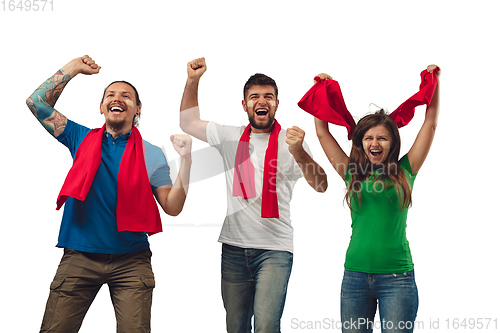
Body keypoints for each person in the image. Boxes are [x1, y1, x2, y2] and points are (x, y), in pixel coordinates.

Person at [26, 55, 192, 333]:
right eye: (111, 95)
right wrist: (73, 69)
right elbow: (36, 103)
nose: (118, 98)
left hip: (132, 260)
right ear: (102, 107)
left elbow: (172, 207)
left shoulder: (152, 153)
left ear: (137, 108)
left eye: (126, 96)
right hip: (79, 255)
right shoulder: (79, 138)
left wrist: (186, 160)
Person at [179, 57, 328, 332]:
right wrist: (193, 80)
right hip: (233, 249)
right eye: (255, 97)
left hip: (275, 250)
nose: (262, 101)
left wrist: (299, 151)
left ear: (276, 104)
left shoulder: (292, 142)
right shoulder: (229, 136)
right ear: (245, 105)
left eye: (268, 96)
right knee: (236, 327)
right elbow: (188, 122)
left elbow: (321, 185)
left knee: (267, 326)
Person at [311, 65, 440, 332]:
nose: (375, 143)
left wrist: (434, 83)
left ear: (393, 142)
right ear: (360, 143)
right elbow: (323, 132)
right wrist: (320, 90)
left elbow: (430, 123)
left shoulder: (406, 170)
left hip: (398, 279)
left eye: (382, 137)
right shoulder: (352, 172)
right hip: (355, 277)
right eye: (369, 137)